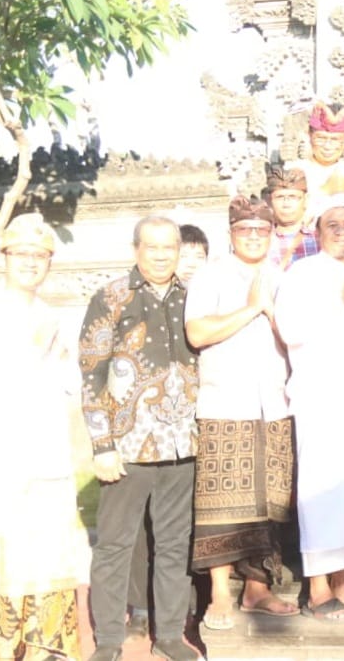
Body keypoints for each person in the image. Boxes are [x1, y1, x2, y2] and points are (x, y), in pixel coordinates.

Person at [0, 214, 91, 661]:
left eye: (40, 256)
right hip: (3, 457)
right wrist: (29, 352)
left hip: (50, 456)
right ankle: (1, 647)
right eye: (22, 254)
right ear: (5, 256)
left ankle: (45, 646)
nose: (31, 262)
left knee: (51, 553)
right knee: (3, 553)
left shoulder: (53, 316)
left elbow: (70, 383)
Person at [80, 215, 202, 661]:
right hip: (128, 444)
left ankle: (168, 634)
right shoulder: (112, 297)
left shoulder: (193, 296)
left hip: (182, 443)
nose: (161, 255)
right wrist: (102, 445)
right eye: (152, 247)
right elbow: (91, 374)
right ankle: (109, 640)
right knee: (115, 545)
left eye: (169, 247)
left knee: (173, 545)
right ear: (136, 249)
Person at [275, 193, 344, 621]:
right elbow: (291, 331)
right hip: (319, 396)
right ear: (318, 231)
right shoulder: (301, 274)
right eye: (332, 225)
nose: (341, 232)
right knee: (321, 490)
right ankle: (319, 588)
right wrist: (342, 308)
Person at [184, 197, 297, 631]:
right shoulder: (210, 276)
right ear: (231, 233)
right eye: (245, 229)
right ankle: (218, 592)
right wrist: (252, 308)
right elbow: (197, 333)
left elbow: (296, 341)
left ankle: (257, 588)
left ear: (271, 234)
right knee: (221, 501)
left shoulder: (282, 278)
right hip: (225, 403)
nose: (253, 236)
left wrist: (273, 314)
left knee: (270, 501)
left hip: (275, 403)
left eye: (261, 230)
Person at [127, 223, 210, 638]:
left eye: (198, 256)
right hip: (148, 429)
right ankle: (141, 605)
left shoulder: (207, 300)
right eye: (185, 254)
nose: (189, 263)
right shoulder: (143, 299)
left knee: (188, 523)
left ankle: (187, 604)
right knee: (143, 522)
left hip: (197, 425)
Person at [293, 101, 344, 196]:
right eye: (321, 138)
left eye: (335, 139)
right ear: (309, 135)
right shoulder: (293, 172)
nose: (327, 146)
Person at [264, 166, 319, 269]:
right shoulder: (261, 240)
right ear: (269, 201)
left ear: (306, 200)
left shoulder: (321, 238)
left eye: (293, 197)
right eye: (279, 197)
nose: (286, 204)